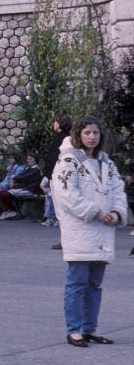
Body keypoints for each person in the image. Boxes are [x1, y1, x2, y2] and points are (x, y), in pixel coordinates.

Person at [50, 116, 128, 347]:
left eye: (95, 133)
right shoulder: (68, 161)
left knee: (95, 284)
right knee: (77, 282)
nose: (92, 137)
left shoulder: (107, 163)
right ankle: (74, 330)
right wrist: (94, 211)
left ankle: (90, 328)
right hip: (81, 229)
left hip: (103, 231)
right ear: (78, 135)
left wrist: (116, 213)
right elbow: (66, 196)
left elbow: (117, 191)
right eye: (87, 133)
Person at [42, 114, 72, 245]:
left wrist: (47, 176)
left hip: (57, 177)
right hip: (58, 176)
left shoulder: (61, 138)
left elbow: (53, 158)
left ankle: (66, 240)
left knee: (61, 210)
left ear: (60, 123)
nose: (53, 124)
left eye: (55, 121)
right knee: (61, 210)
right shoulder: (66, 138)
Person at [0, 153, 42, 220]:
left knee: (3, 193)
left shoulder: (36, 170)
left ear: (35, 161)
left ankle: (12, 211)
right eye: (27, 159)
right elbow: (20, 175)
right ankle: (10, 211)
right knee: (1, 193)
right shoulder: (28, 168)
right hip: (23, 189)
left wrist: (13, 180)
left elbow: (24, 177)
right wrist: (13, 180)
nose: (28, 160)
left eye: (30, 159)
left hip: (30, 190)